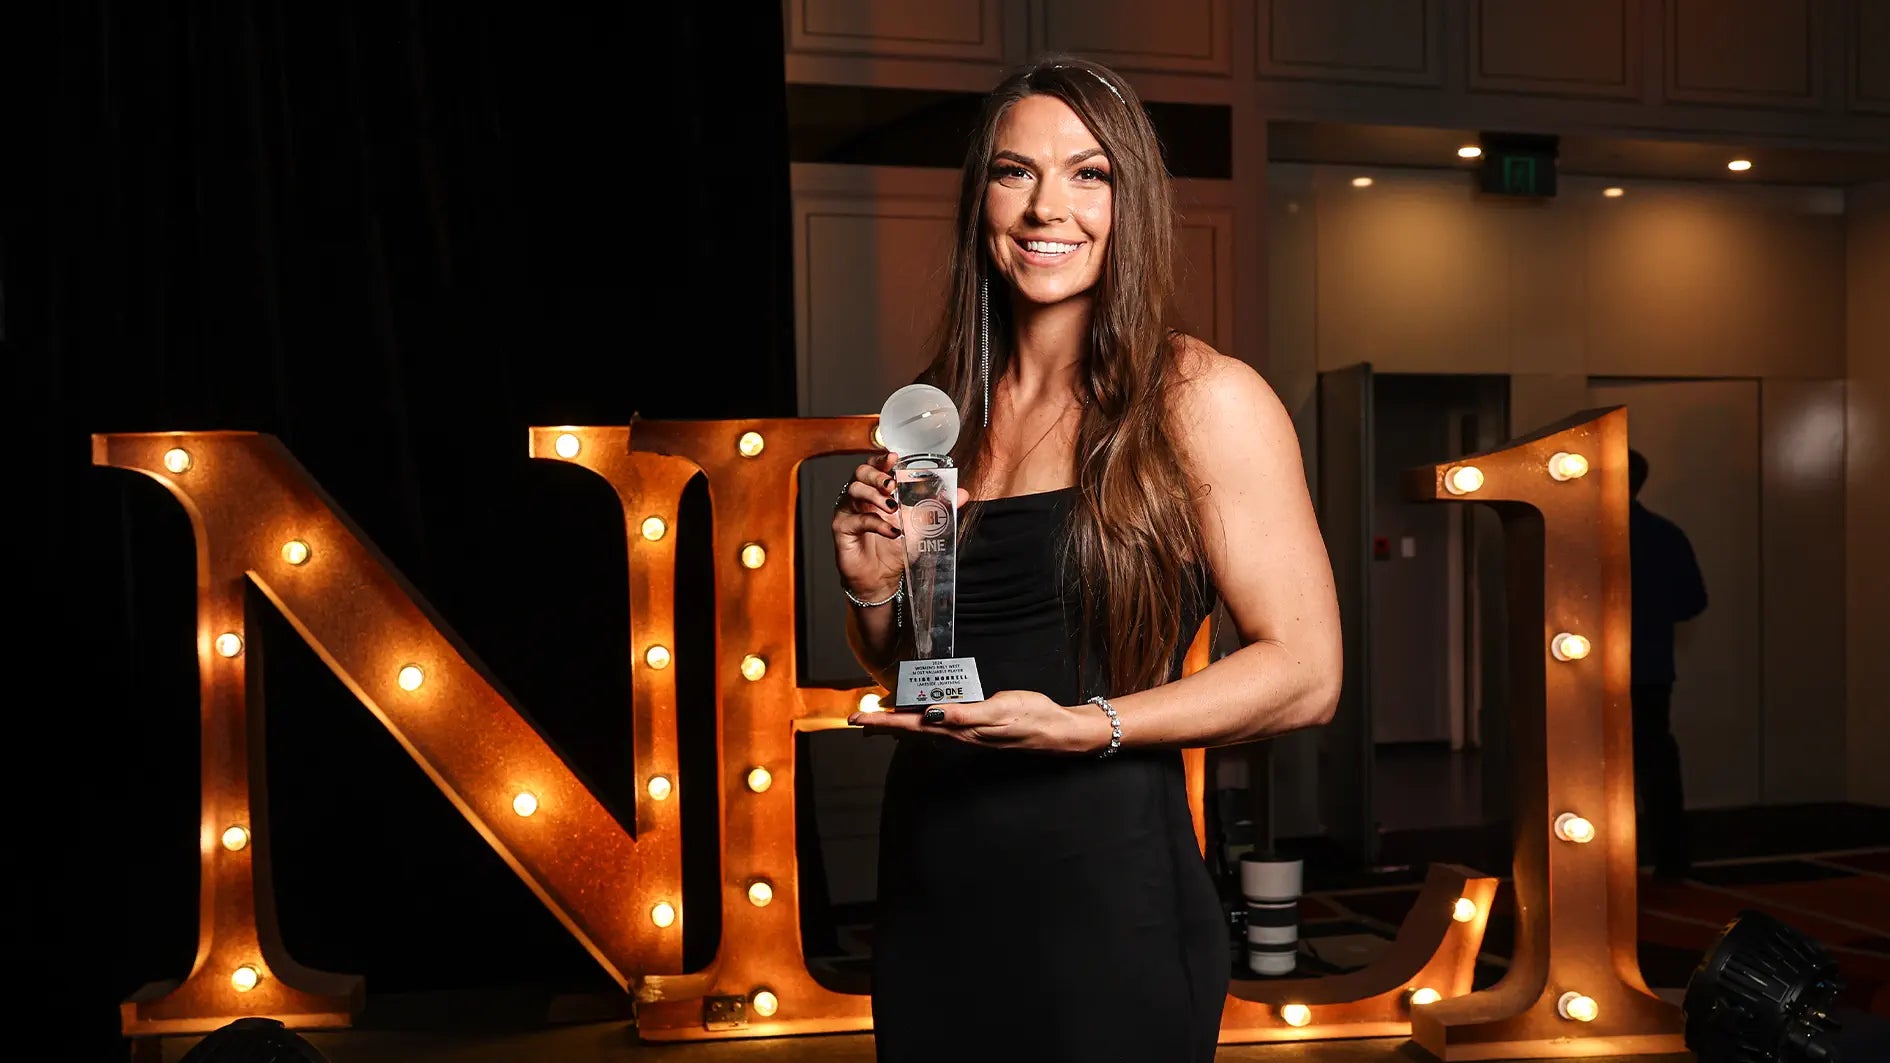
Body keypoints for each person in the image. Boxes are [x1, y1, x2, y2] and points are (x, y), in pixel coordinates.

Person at [830, 55, 1342, 1062]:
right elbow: (915, 665)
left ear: (1132, 201)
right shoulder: (940, 409)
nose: (1045, 208)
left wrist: (1084, 727)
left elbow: (1307, 673)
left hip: (1108, 904)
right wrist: (871, 588)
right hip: (934, 888)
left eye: (1089, 173)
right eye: (1015, 172)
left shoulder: (1200, 397)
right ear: (981, 200)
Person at [1627, 448, 1708, 880]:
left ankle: (1601, 866)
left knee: (1591, 770)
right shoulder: (1664, 535)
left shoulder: (1584, 536)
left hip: (1586, 674)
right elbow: (1694, 601)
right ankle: (1671, 861)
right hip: (1650, 669)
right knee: (1656, 763)